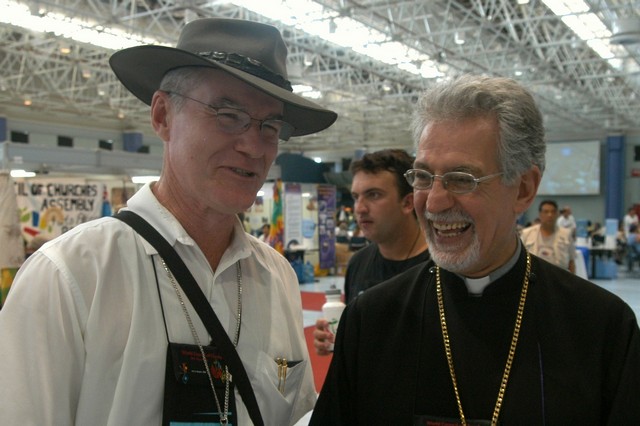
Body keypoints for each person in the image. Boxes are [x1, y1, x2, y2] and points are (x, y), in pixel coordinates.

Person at [0, 18, 337, 425]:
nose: (253, 146)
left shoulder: (276, 276)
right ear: (162, 116)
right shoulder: (70, 276)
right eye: (228, 114)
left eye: (270, 126)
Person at [310, 75, 640, 424]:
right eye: (423, 177)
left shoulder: (601, 328)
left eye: (461, 179)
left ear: (523, 189)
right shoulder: (370, 320)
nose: (434, 203)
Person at [313, 149, 429, 356]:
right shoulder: (359, 263)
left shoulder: (442, 266)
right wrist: (336, 337)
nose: (360, 208)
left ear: (408, 203)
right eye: (355, 197)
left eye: (373, 195)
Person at [520, 200, 576, 273]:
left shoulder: (566, 234)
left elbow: (571, 262)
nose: (550, 215)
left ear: (557, 214)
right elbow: (520, 259)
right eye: (546, 212)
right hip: (534, 275)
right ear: (540, 214)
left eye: (553, 212)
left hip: (559, 275)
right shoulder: (527, 233)